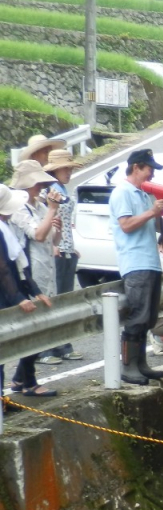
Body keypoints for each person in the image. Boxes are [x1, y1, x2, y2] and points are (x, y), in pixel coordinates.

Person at [108, 149, 163, 386]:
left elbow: (153, 226)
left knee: (149, 316)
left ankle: (140, 363)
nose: (151, 174)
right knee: (137, 313)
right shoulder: (122, 192)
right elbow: (126, 225)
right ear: (137, 167)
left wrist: (157, 213)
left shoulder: (144, 194)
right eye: (149, 169)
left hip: (151, 261)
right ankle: (128, 365)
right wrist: (151, 212)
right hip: (135, 261)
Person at [0, 184, 55, 397]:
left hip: (9, 292)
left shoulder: (6, 227)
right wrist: (19, 297)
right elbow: (3, 268)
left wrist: (34, 290)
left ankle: (7, 397)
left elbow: (18, 265)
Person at [8, 160, 62, 367]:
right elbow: (37, 235)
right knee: (33, 321)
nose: (40, 187)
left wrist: (58, 224)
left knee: (44, 316)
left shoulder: (40, 206)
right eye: (37, 183)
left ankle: (26, 376)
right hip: (30, 270)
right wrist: (51, 211)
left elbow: (52, 240)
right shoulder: (19, 208)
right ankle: (28, 370)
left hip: (46, 266)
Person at [41, 148, 83, 363]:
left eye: (69, 168)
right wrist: (53, 245)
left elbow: (66, 222)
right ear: (55, 170)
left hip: (66, 247)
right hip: (53, 249)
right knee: (53, 300)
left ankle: (63, 343)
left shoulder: (63, 189)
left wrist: (70, 245)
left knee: (65, 299)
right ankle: (46, 347)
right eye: (65, 168)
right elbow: (46, 219)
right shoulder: (47, 191)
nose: (68, 172)